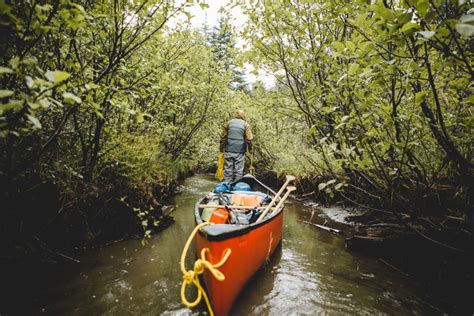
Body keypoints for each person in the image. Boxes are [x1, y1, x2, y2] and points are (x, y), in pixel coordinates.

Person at [219, 110, 253, 182]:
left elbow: (222, 137)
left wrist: (221, 148)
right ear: (243, 116)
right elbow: (249, 139)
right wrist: (250, 150)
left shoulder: (229, 123)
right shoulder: (246, 125)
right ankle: (236, 186)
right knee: (238, 171)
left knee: (228, 170)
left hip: (228, 149)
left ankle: (227, 184)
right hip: (240, 151)